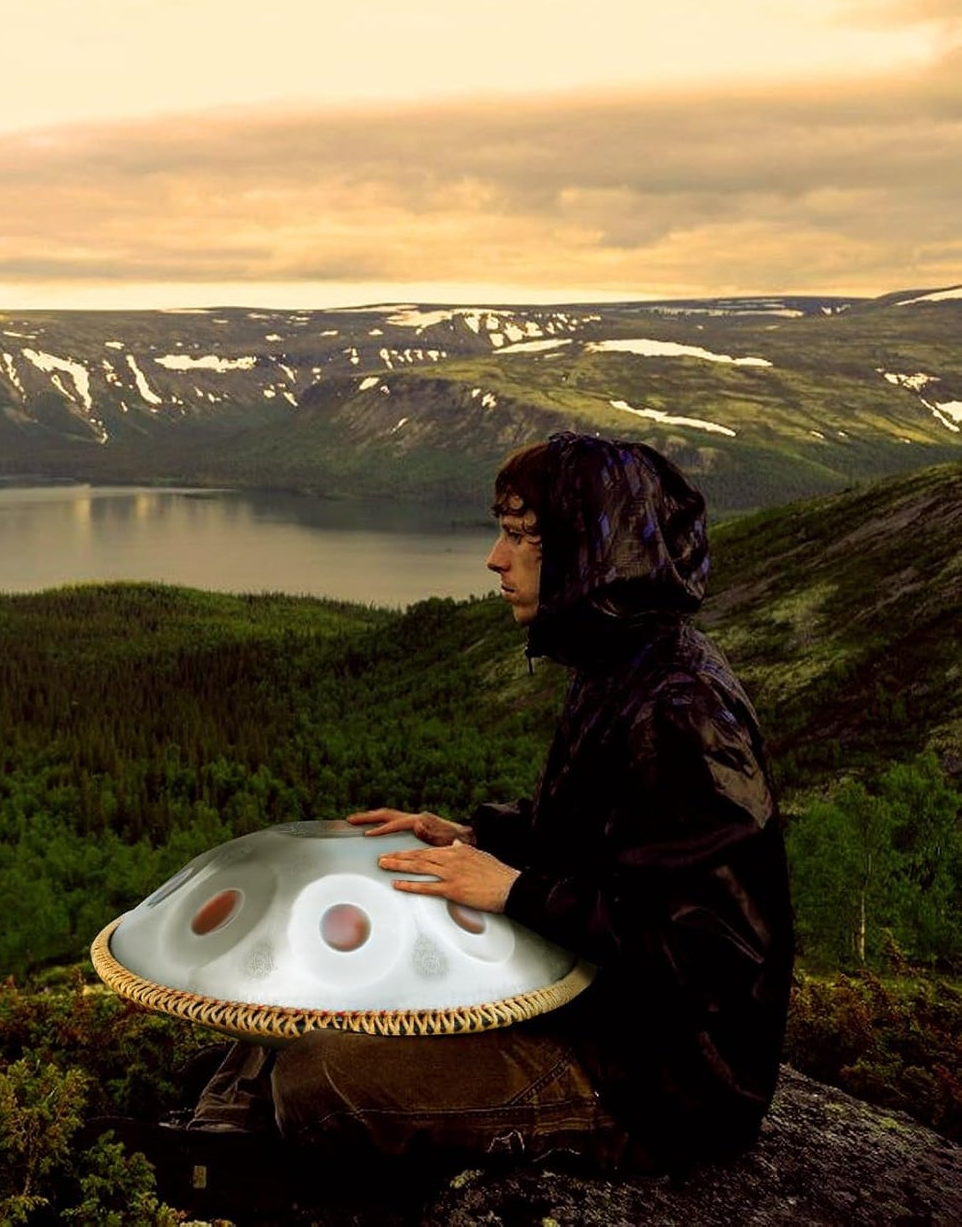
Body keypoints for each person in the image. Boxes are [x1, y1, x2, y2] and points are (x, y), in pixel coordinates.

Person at [108, 432, 794, 1204]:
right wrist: (474, 837)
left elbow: (712, 956)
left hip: (656, 1080)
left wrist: (515, 892)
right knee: (297, 990)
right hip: (597, 1011)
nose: (496, 558)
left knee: (323, 1072)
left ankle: (231, 1172)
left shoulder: (681, 710)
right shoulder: (622, 666)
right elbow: (608, 837)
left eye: (523, 534)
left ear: (592, 549)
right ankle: (212, 1142)